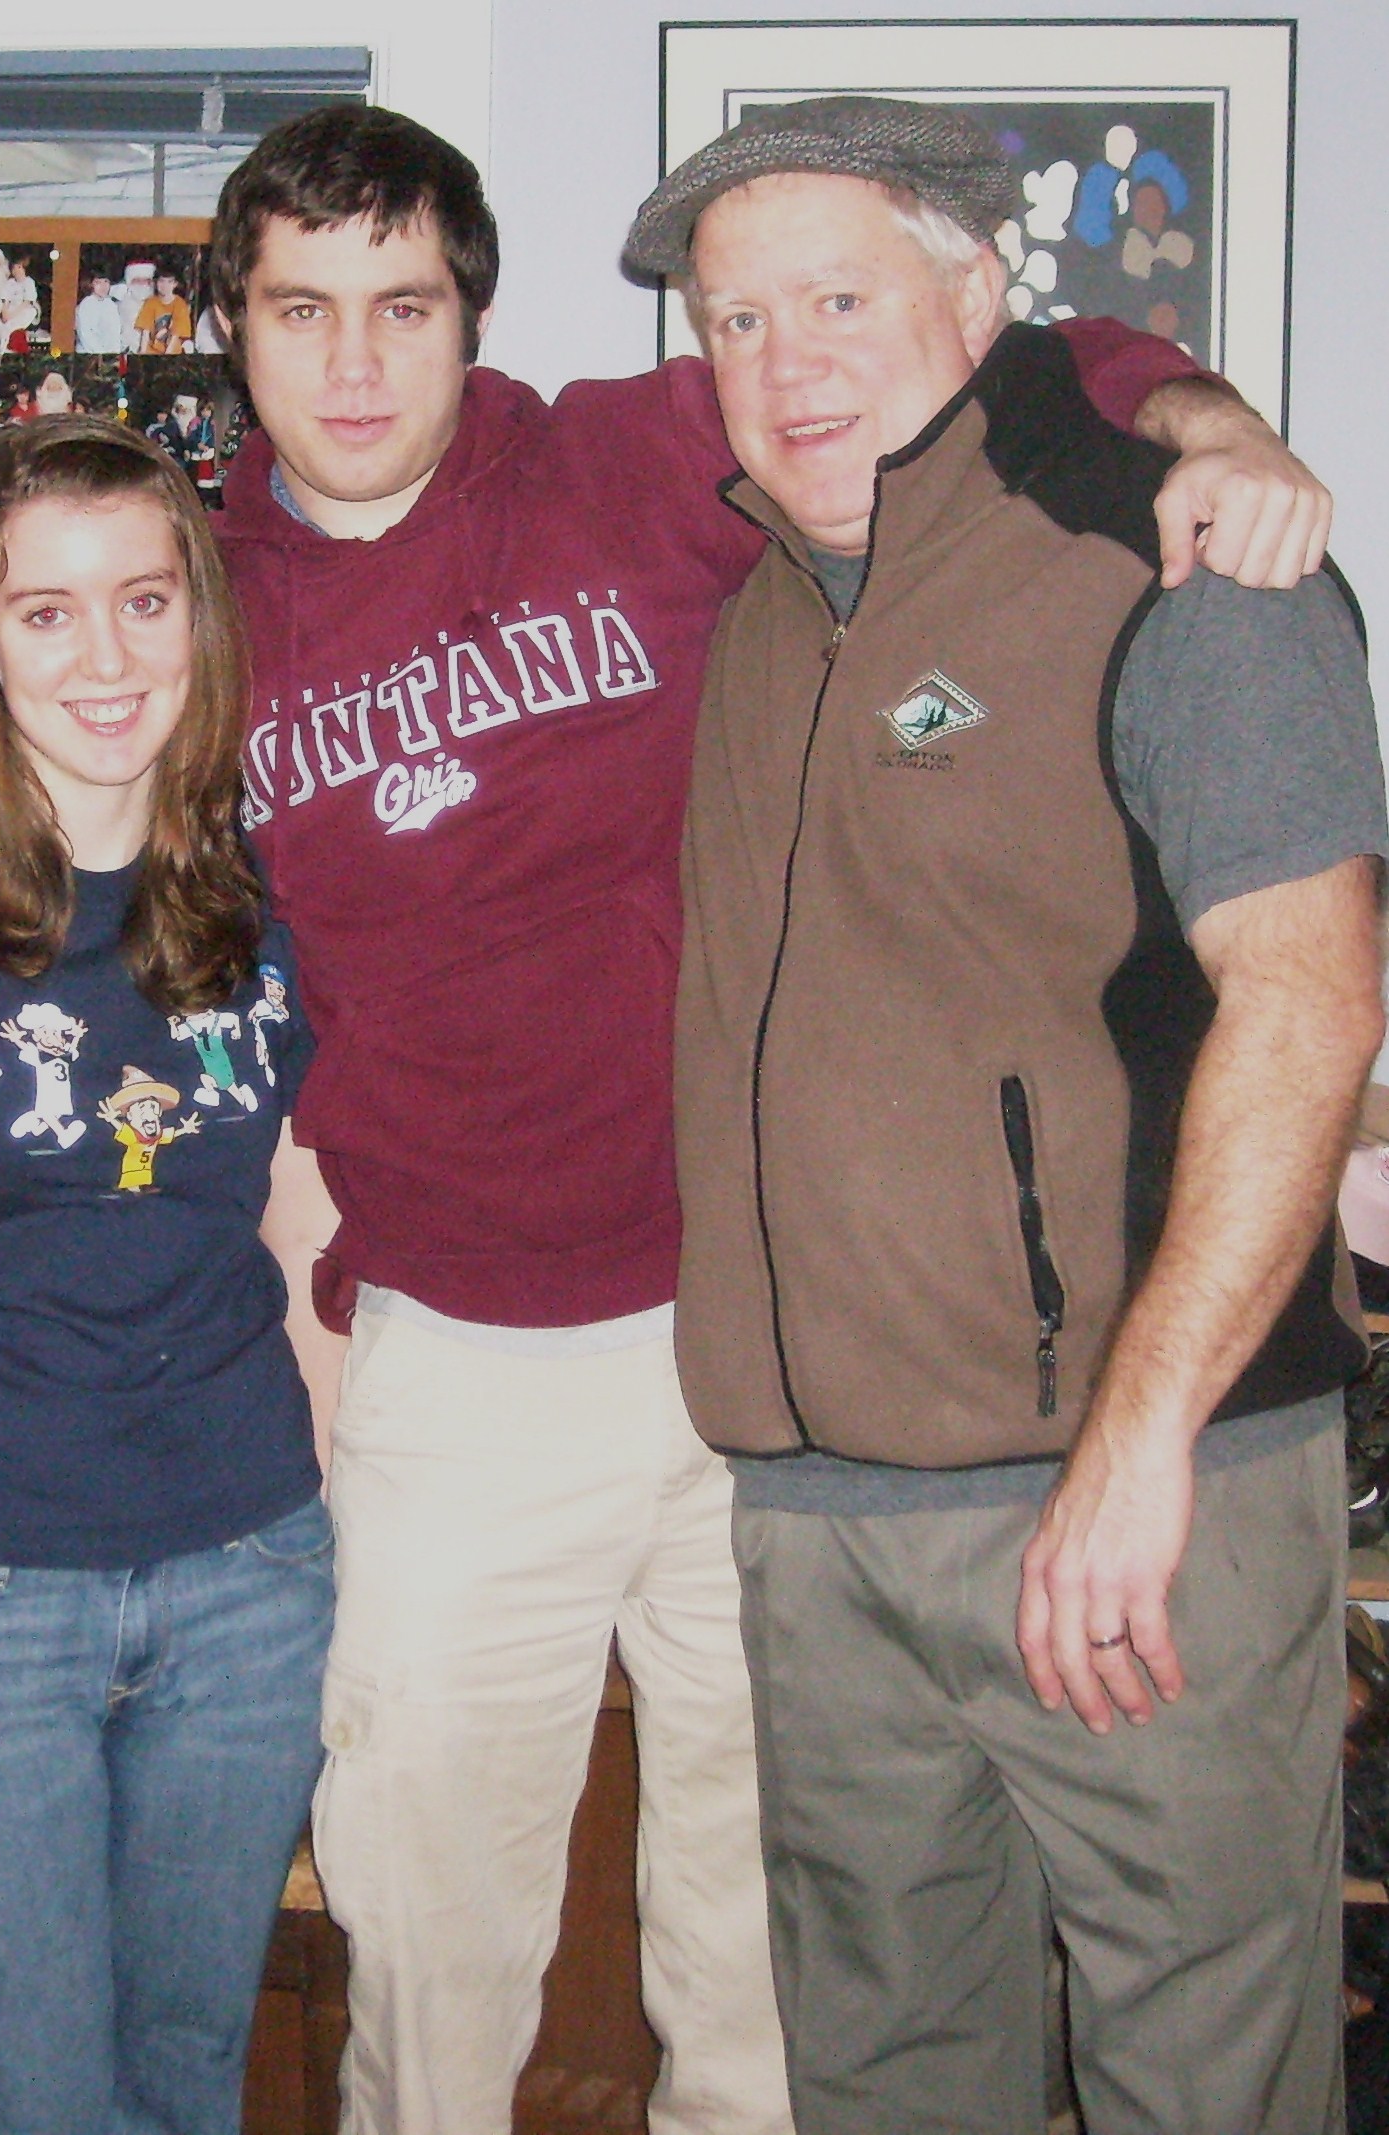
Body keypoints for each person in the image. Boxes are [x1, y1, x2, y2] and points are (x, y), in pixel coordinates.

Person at [0, 104, 1332, 2135]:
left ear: (473, 316)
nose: (357, 359)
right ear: (233, 331)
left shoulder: (638, 460)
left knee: (763, 1971)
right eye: (301, 310)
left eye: (402, 304)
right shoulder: (188, 599)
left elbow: (987, 370)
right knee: (429, 1962)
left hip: (744, 1356)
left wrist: (1206, 424)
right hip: (448, 1366)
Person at [625, 96, 1386, 2135]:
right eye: (734, 320)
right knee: (881, 2081)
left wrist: (1138, 1452)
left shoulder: (1182, 563)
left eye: (836, 299)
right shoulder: (759, 613)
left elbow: (1309, 1006)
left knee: (1201, 2079)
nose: (783, 362)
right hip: (819, 1522)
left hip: (1134, 1508)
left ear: (977, 296)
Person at [0, 415, 334, 2134]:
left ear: (198, 620)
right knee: (19, 2099)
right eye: (45, 611)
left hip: (246, 1581)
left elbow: (289, 1211)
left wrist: (327, 1529)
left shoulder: (256, 886)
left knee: (184, 2084)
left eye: (143, 600)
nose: (105, 656)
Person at [135, 267, 194, 354]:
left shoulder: (180, 304)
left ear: (175, 284)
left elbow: (176, 334)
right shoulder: (150, 302)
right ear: (156, 282)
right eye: (161, 281)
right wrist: (142, 352)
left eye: (169, 282)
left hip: (172, 350)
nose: (165, 286)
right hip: (152, 350)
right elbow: (145, 331)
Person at [75, 269, 126, 355]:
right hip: (91, 353)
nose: (103, 286)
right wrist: (101, 352)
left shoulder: (110, 303)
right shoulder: (87, 304)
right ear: (90, 284)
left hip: (111, 352)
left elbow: (115, 331)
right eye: (98, 282)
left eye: (106, 281)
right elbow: (86, 334)